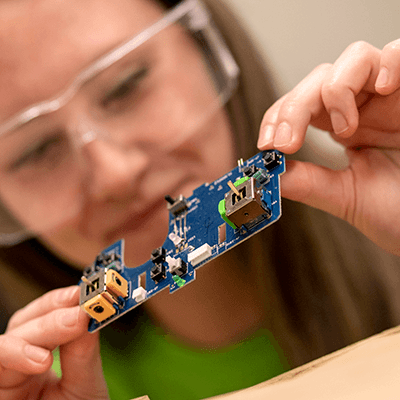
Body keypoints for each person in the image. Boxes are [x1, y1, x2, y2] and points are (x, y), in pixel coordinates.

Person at [0, 0, 399, 399]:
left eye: (126, 85)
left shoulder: (386, 206)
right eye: (36, 151)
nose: (114, 175)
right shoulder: (46, 389)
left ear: (208, 46)